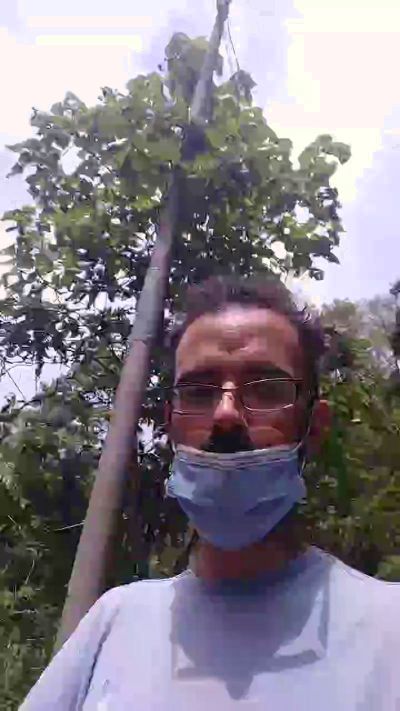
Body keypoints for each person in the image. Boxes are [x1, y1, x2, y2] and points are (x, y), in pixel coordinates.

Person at [21, 276, 400, 710]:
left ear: (314, 428)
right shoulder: (115, 622)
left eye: (266, 388)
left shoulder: (389, 627)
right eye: (199, 392)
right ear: (171, 425)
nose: (225, 414)